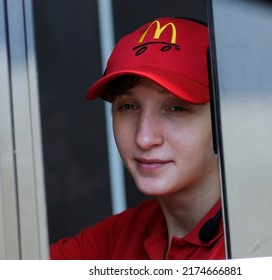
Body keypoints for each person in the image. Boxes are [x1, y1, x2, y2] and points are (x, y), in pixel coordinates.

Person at [50, 17, 225, 260]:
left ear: (224, 119)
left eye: (176, 108)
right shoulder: (122, 236)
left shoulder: (263, 239)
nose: (144, 138)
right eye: (129, 106)